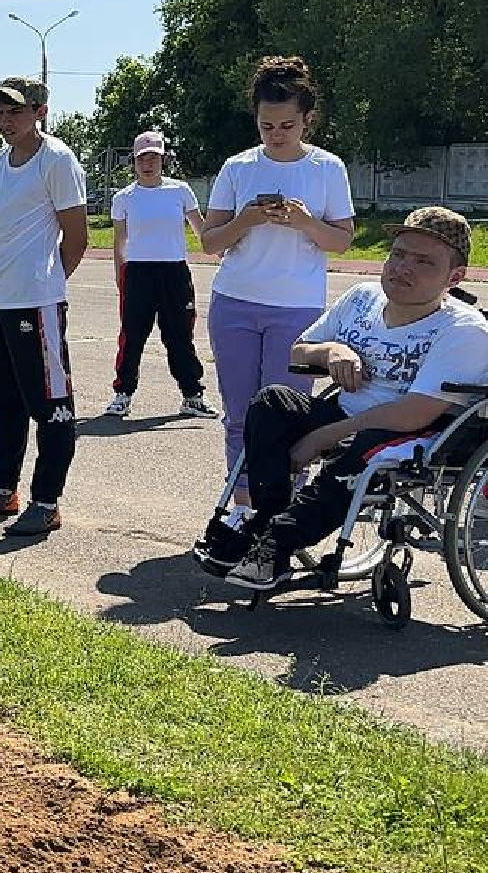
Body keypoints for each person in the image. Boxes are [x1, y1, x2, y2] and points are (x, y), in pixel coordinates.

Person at [225, 209, 488, 590]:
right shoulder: (362, 298)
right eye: (397, 254)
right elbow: (298, 352)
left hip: (418, 429)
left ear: (455, 277)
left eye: (423, 261)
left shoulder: (464, 330)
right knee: (272, 403)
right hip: (348, 409)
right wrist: (332, 351)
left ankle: (277, 542)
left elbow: (416, 412)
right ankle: (267, 522)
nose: (402, 268)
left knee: (364, 448)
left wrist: (322, 437)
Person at [199, 56, 356, 521]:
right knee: (241, 415)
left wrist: (306, 222)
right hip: (235, 304)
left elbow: (343, 241)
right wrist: (246, 218)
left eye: (287, 124)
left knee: (286, 415)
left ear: (308, 119)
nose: (276, 134)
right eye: (267, 125)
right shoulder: (238, 166)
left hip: (297, 308)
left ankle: (281, 511)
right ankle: (242, 508)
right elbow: (210, 242)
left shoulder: (327, 168)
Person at [0, 76, 88, 536]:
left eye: (17, 112)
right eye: (1, 113)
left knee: (50, 404)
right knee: (2, 400)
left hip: (34, 302)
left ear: (40, 112)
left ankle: (47, 501)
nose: (7, 121)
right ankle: (2, 489)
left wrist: (45, 283)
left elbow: (77, 236)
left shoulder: (57, 160)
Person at [104, 131, 218, 419]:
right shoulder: (124, 198)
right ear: (134, 161)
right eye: (143, 158)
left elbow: (200, 230)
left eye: (154, 157)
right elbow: (119, 242)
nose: (148, 163)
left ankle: (192, 395)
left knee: (180, 336)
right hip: (138, 273)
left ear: (163, 158)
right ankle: (123, 394)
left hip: (174, 272)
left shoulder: (180, 191)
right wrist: (121, 276)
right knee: (132, 336)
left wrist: (223, 248)